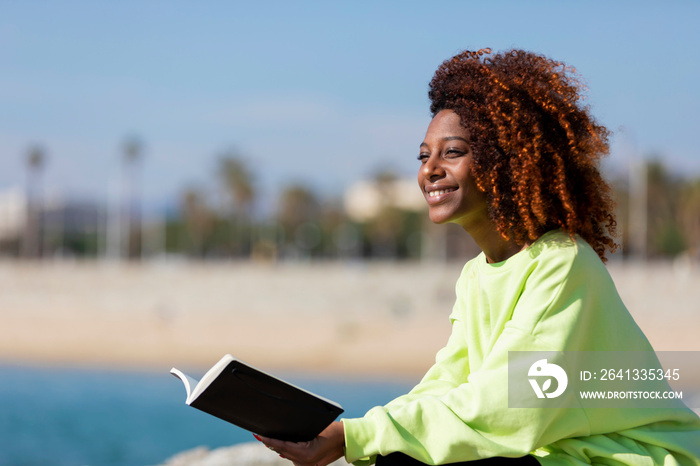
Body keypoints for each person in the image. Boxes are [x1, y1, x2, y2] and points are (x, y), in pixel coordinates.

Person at [257, 48, 700, 465]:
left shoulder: (561, 263)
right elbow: (447, 383)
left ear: (502, 161)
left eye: (452, 153)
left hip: (635, 456)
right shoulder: (476, 276)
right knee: (401, 454)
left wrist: (360, 437)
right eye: (423, 155)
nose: (429, 169)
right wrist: (354, 433)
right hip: (564, 450)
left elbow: (511, 404)